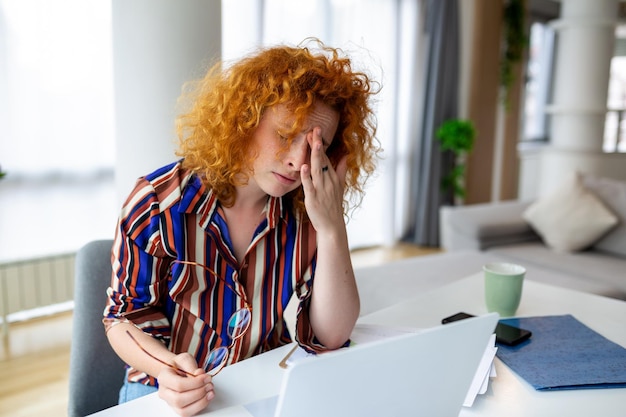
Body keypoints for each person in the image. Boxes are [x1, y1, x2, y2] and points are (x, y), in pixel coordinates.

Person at [103, 39, 380, 417]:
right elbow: (122, 319)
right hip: (161, 388)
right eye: (284, 135)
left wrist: (332, 228)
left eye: (316, 147)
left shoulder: (305, 212)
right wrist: (168, 371)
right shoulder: (156, 204)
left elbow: (332, 335)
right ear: (244, 120)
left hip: (256, 382)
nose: (298, 162)